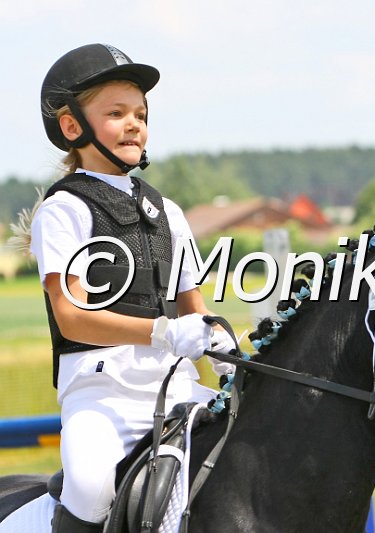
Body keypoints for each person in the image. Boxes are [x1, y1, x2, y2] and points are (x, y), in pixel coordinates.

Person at [30, 44, 234, 532]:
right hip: (103, 393)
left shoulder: (169, 213)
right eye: (116, 113)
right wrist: (163, 332)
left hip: (176, 385)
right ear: (72, 126)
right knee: (89, 486)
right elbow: (72, 317)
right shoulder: (63, 211)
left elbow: (192, 306)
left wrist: (223, 347)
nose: (134, 125)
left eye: (140, 114)